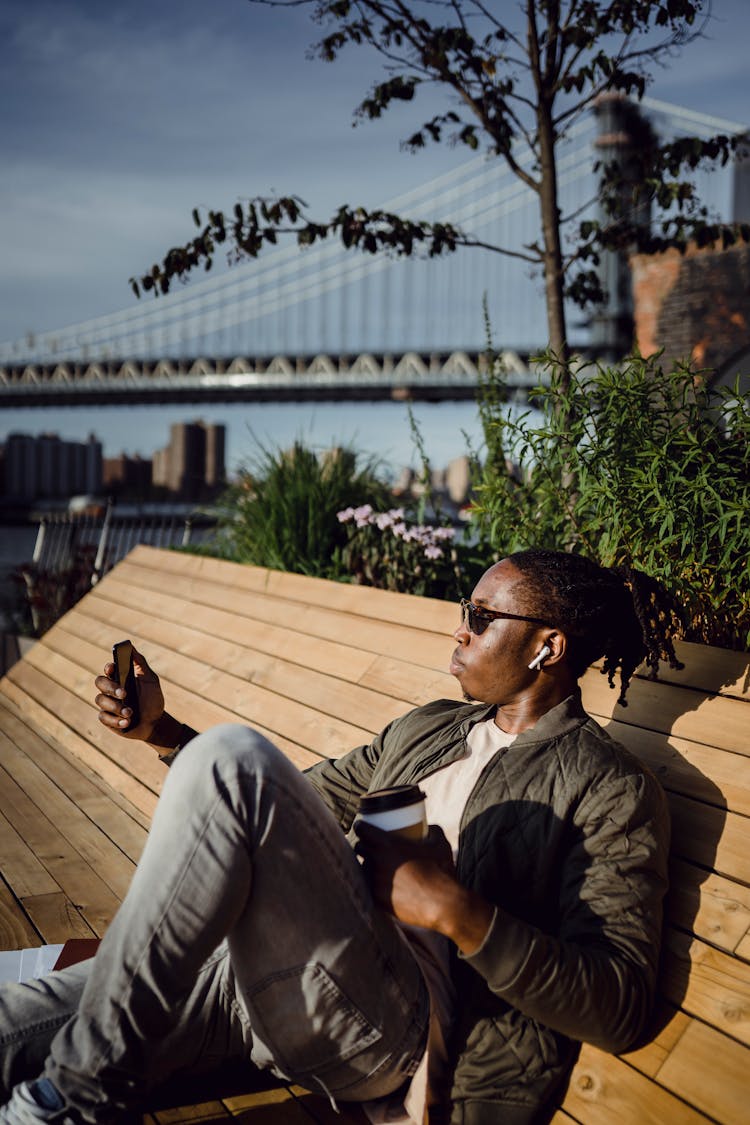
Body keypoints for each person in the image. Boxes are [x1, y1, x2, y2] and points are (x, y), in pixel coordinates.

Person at [0, 549, 682, 1125]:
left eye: (479, 616)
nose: (460, 630)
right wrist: (164, 733)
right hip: (264, 977)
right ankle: (72, 1084)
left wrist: (453, 909)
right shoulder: (433, 728)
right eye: (461, 612)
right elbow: (279, 803)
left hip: (399, 1027)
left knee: (236, 754)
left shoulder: (610, 786)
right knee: (13, 1020)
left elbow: (618, 1000)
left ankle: (76, 1095)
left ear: (547, 645)